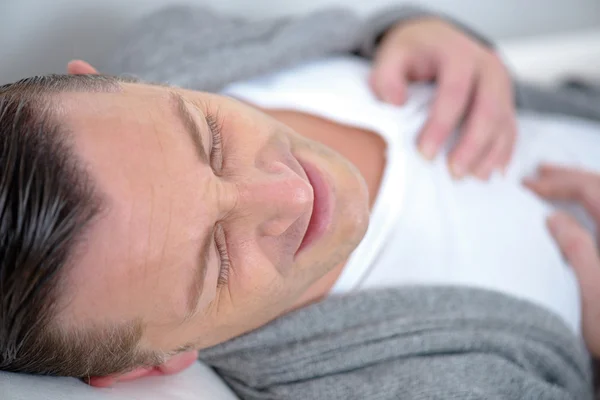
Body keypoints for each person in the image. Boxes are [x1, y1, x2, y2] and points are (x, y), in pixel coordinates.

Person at [0, 4, 599, 398]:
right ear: (150, 364)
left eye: (210, 138)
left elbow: (366, 34)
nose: (291, 190)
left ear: (128, 85)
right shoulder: (402, 386)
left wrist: (411, 33)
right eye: (219, 262)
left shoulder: (177, 49)